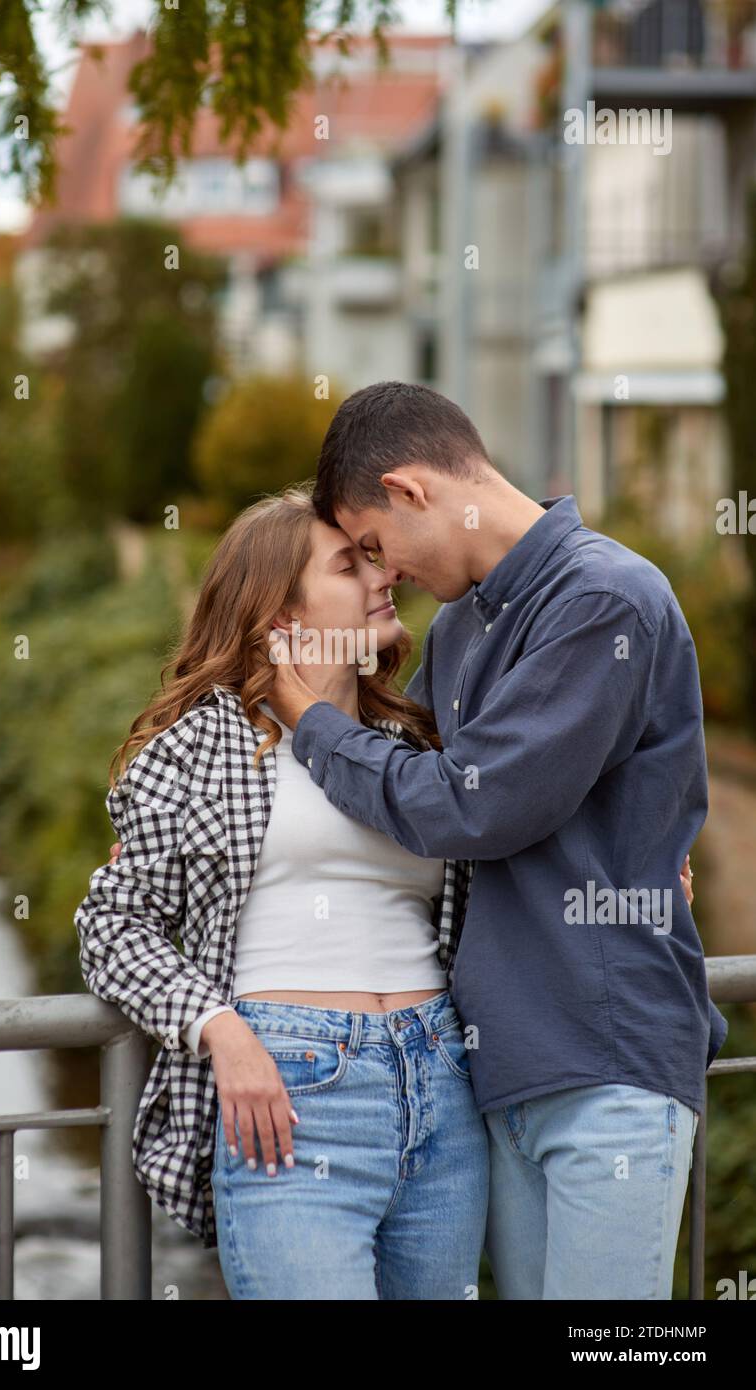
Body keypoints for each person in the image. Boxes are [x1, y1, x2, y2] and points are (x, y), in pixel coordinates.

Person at [267, 379, 725, 1301]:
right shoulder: (469, 622)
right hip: (497, 1075)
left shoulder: (605, 599)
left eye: (371, 545)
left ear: (410, 491)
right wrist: (209, 843)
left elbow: (464, 808)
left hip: (606, 1064)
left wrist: (307, 719)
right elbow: (396, 787)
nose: (380, 571)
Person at [74, 484, 488, 1300]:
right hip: (292, 1090)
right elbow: (112, 922)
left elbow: (507, 847)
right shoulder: (199, 744)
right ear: (281, 616)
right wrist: (218, 1030)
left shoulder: (412, 742)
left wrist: (631, 868)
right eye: (351, 565)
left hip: (441, 1078)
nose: (384, 578)